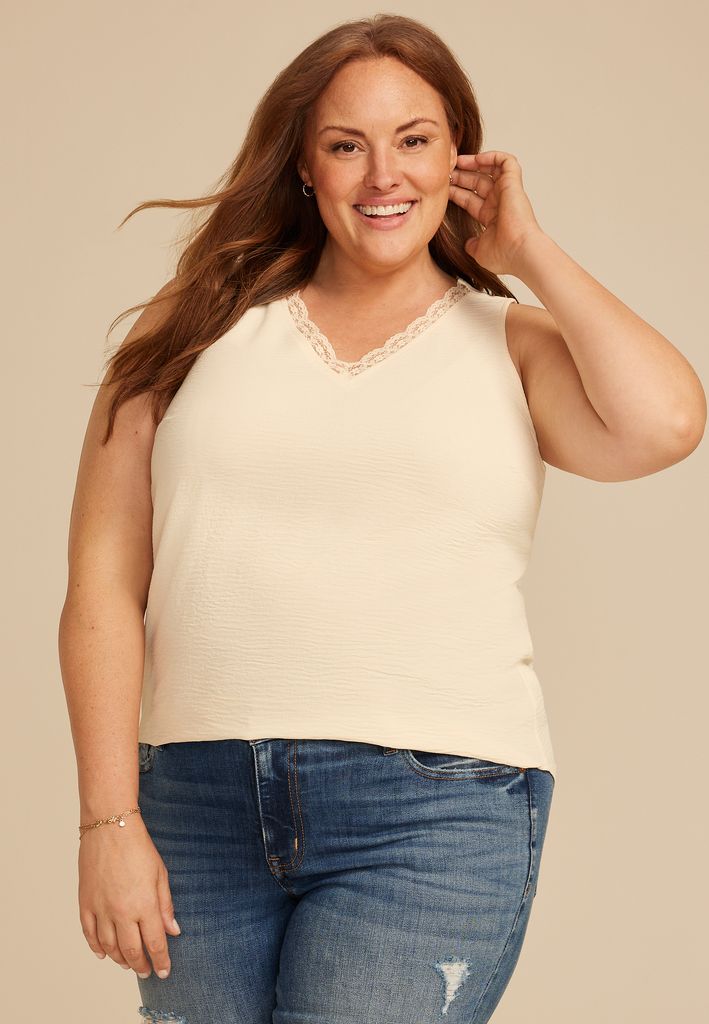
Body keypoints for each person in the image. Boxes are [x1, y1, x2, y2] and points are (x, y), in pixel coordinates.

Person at [58, 13, 706, 1024]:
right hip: (195, 803)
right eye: (345, 145)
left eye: (414, 139)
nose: (382, 175)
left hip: (431, 811)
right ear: (303, 165)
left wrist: (527, 249)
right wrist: (107, 821)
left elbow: (665, 422)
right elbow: (102, 585)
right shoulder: (187, 331)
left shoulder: (513, 345)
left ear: (459, 157)